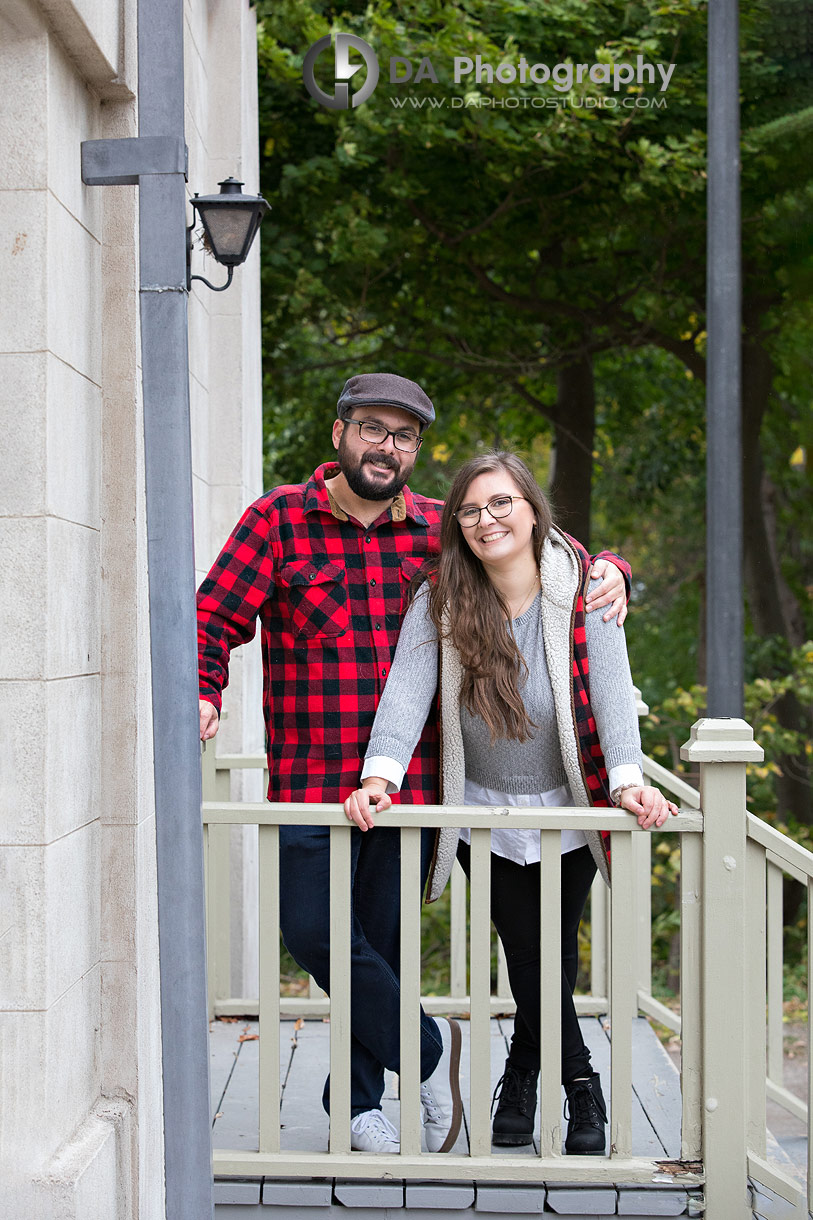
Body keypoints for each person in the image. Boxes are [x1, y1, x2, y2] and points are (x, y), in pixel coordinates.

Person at [197, 376, 631, 1154]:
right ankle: (426, 1049)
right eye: (371, 429)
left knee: (383, 940)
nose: (385, 447)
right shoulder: (276, 521)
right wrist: (202, 689)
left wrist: (613, 572)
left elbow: (544, 552)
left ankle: (358, 1105)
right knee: (311, 933)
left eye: (402, 436)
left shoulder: (441, 526)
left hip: (417, 790)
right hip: (309, 776)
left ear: (414, 450)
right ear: (339, 434)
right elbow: (212, 615)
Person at [344, 450, 678, 1155]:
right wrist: (381, 776)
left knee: (549, 955)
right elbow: (406, 690)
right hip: (483, 811)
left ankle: (522, 1075)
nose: (485, 519)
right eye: (469, 509)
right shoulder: (441, 597)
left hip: (569, 805)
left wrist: (626, 780)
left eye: (500, 504)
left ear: (531, 510)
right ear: (457, 524)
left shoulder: (581, 588)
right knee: (528, 950)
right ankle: (581, 1085)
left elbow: (613, 694)